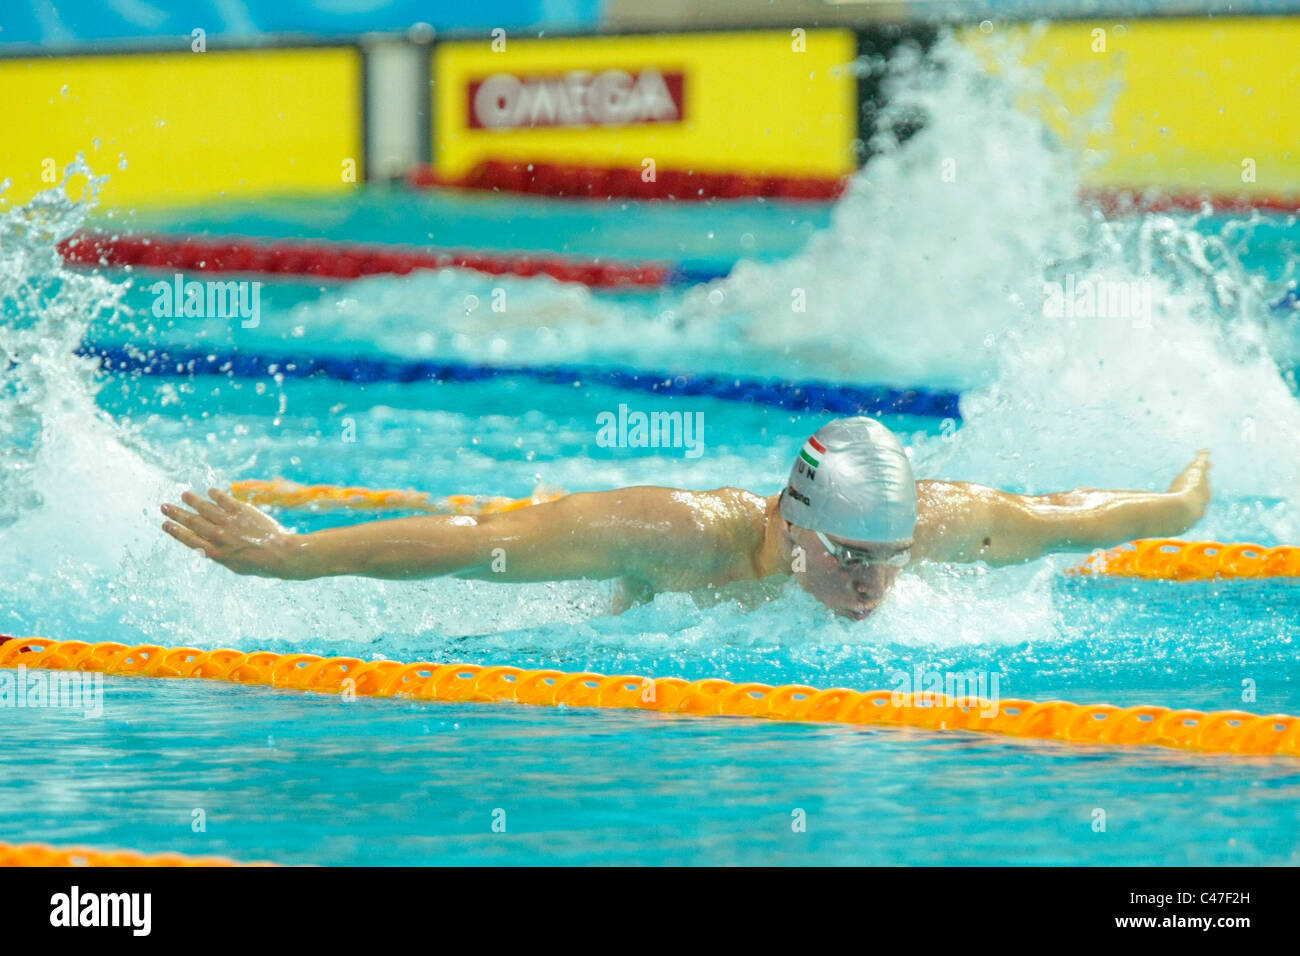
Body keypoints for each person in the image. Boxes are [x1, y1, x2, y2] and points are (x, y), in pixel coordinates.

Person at [160, 417, 1211, 619]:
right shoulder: (673, 533)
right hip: (594, 569)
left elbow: (1069, 518)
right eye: (851, 559)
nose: (874, 588)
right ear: (792, 524)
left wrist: (1177, 499)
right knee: (496, 530)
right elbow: (471, 546)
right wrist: (292, 558)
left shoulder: (943, 522)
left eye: (888, 562)